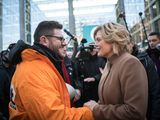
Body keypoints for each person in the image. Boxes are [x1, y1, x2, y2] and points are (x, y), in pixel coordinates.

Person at [9, 21, 94, 120]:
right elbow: (54, 117)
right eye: (60, 39)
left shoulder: (41, 64)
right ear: (44, 40)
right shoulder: (34, 71)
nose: (65, 43)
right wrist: (90, 112)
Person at [84, 22, 148, 120]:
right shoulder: (108, 63)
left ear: (113, 40)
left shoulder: (130, 63)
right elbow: (106, 101)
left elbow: (135, 111)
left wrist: (96, 109)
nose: (95, 45)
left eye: (98, 40)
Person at [128, 40, 160, 120]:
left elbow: (155, 91)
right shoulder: (117, 61)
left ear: (132, 43)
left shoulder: (144, 60)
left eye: (126, 43)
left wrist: (154, 116)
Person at [0, 44, 16, 120]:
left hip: (14, 109)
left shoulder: (14, 69)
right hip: (6, 111)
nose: (8, 55)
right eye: (6, 53)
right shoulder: (2, 72)